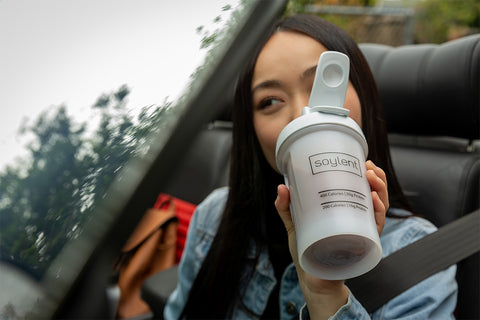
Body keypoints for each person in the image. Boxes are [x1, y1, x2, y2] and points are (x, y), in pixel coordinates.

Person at [164, 14, 457, 319]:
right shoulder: (213, 218)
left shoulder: (417, 254)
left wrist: (326, 291)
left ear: (364, 97)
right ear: (250, 129)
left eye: (323, 85)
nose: (302, 114)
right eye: (269, 101)